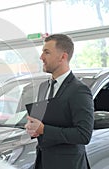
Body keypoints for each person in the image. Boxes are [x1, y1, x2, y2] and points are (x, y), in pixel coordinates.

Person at [24, 34, 94, 169]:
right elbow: (41, 122)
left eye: (47, 52)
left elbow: (84, 135)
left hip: (68, 165)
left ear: (63, 57)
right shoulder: (43, 87)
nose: (41, 57)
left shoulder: (79, 90)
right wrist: (32, 128)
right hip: (42, 162)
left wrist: (43, 129)